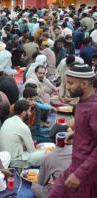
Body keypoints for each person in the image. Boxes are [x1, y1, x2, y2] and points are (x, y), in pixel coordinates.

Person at [49, 64, 97, 197]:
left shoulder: (94, 108)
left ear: (85, 84)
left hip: (87, 177)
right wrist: (77, 134)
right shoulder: (83, 101)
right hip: (74, 167)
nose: (67, 87)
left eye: (70, 83)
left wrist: (80, 174)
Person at [0, 100, 45, 168]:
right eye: (29, 111)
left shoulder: (7, 121)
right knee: (43, 155)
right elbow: (32, 150)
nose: (30, 113)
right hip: (14, 162)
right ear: (23, 113)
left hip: (3, 158)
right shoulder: (23, 127)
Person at [32, 130, 72, 198]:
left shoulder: (48, 157)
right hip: (82, 187)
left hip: (64, 192)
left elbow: (41, 182)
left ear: (56, 142)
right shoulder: (77, 149)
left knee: (34, 186)